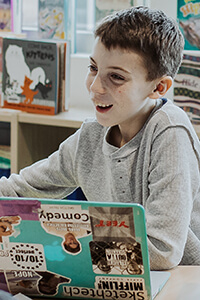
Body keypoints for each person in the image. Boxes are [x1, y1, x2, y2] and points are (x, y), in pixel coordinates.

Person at [0, 6, 199, 270]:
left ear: (158, 87)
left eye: (116, 77)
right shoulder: (91, 135)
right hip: (115, 277)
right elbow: (18, 190)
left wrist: (69, 248)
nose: (95, 87)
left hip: (181, 281)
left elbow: (163, 251)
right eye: (93, 68)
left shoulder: (170, 132)